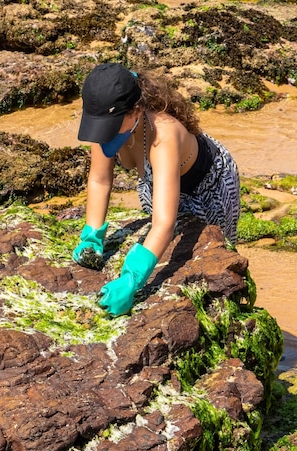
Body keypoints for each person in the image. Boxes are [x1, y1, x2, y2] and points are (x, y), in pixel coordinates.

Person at [73, 62, 241, 317]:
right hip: (157, 181)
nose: (102, 134)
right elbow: (99, 180)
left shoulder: (163, 135)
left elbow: (164, 222)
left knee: (213, 265)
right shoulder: (106, 127)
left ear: (136, 110)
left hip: (209, 186)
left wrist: (131, 280)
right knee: (163, 246)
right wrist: (92, 235)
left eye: (110, 125)